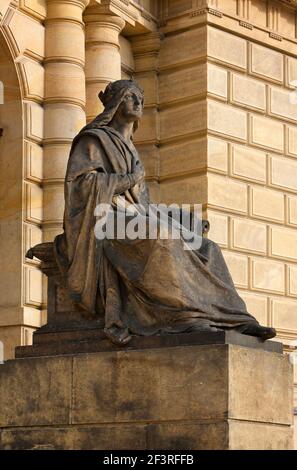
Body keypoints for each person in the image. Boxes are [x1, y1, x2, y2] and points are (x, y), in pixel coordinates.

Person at [54, 79, 276, 345]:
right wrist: (127, 179)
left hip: (133, 218)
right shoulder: (93, 140)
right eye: (131, 96)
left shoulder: (131, 150)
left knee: (207, 248)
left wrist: (184, 219)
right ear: (115, 103)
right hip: (104, 221)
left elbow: (143, 206)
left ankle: (233, 319)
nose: (138, 102)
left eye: (141, 98)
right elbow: (81, 186)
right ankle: (184, 316)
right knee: (161, 237)